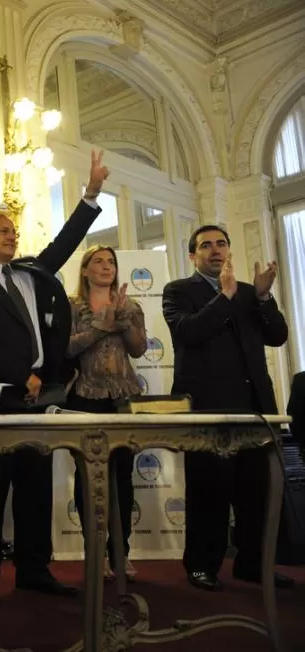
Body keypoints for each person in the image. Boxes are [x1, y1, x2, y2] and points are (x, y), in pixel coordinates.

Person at [0, 151, 110, 610]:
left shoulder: (31, 272)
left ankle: (34, 570)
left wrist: (92, 193)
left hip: (43, 397)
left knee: (36, 485)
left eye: (13, 231)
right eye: (3, 230)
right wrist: (21, 375)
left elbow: (65, 241)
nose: (12, 234)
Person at [162, 225, 294, 592]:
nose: (215, 250)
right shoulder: (178, 291)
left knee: (256, 491)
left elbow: (278, 336)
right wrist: (224, 296)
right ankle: (202, 565)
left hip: (254, 408)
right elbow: (189, 333)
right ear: (192, 255)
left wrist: (265, 297)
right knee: (210, 490)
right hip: (207, 409)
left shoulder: (253, 293)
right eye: (206, 246)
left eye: (221, 243)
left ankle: (252, 564)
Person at [66, 245, 147, 581]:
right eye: (97, 261)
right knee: (89, 480)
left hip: (124, 398)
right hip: (84, 397)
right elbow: (66, 348)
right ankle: (95, 554)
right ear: (84, 270)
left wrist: (123, 321)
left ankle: (121, 552)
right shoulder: (72, 306)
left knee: (122, 479)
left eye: (111, 262)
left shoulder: (130, 304)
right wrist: (100, 326)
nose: (105, 266)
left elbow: (139, 348)